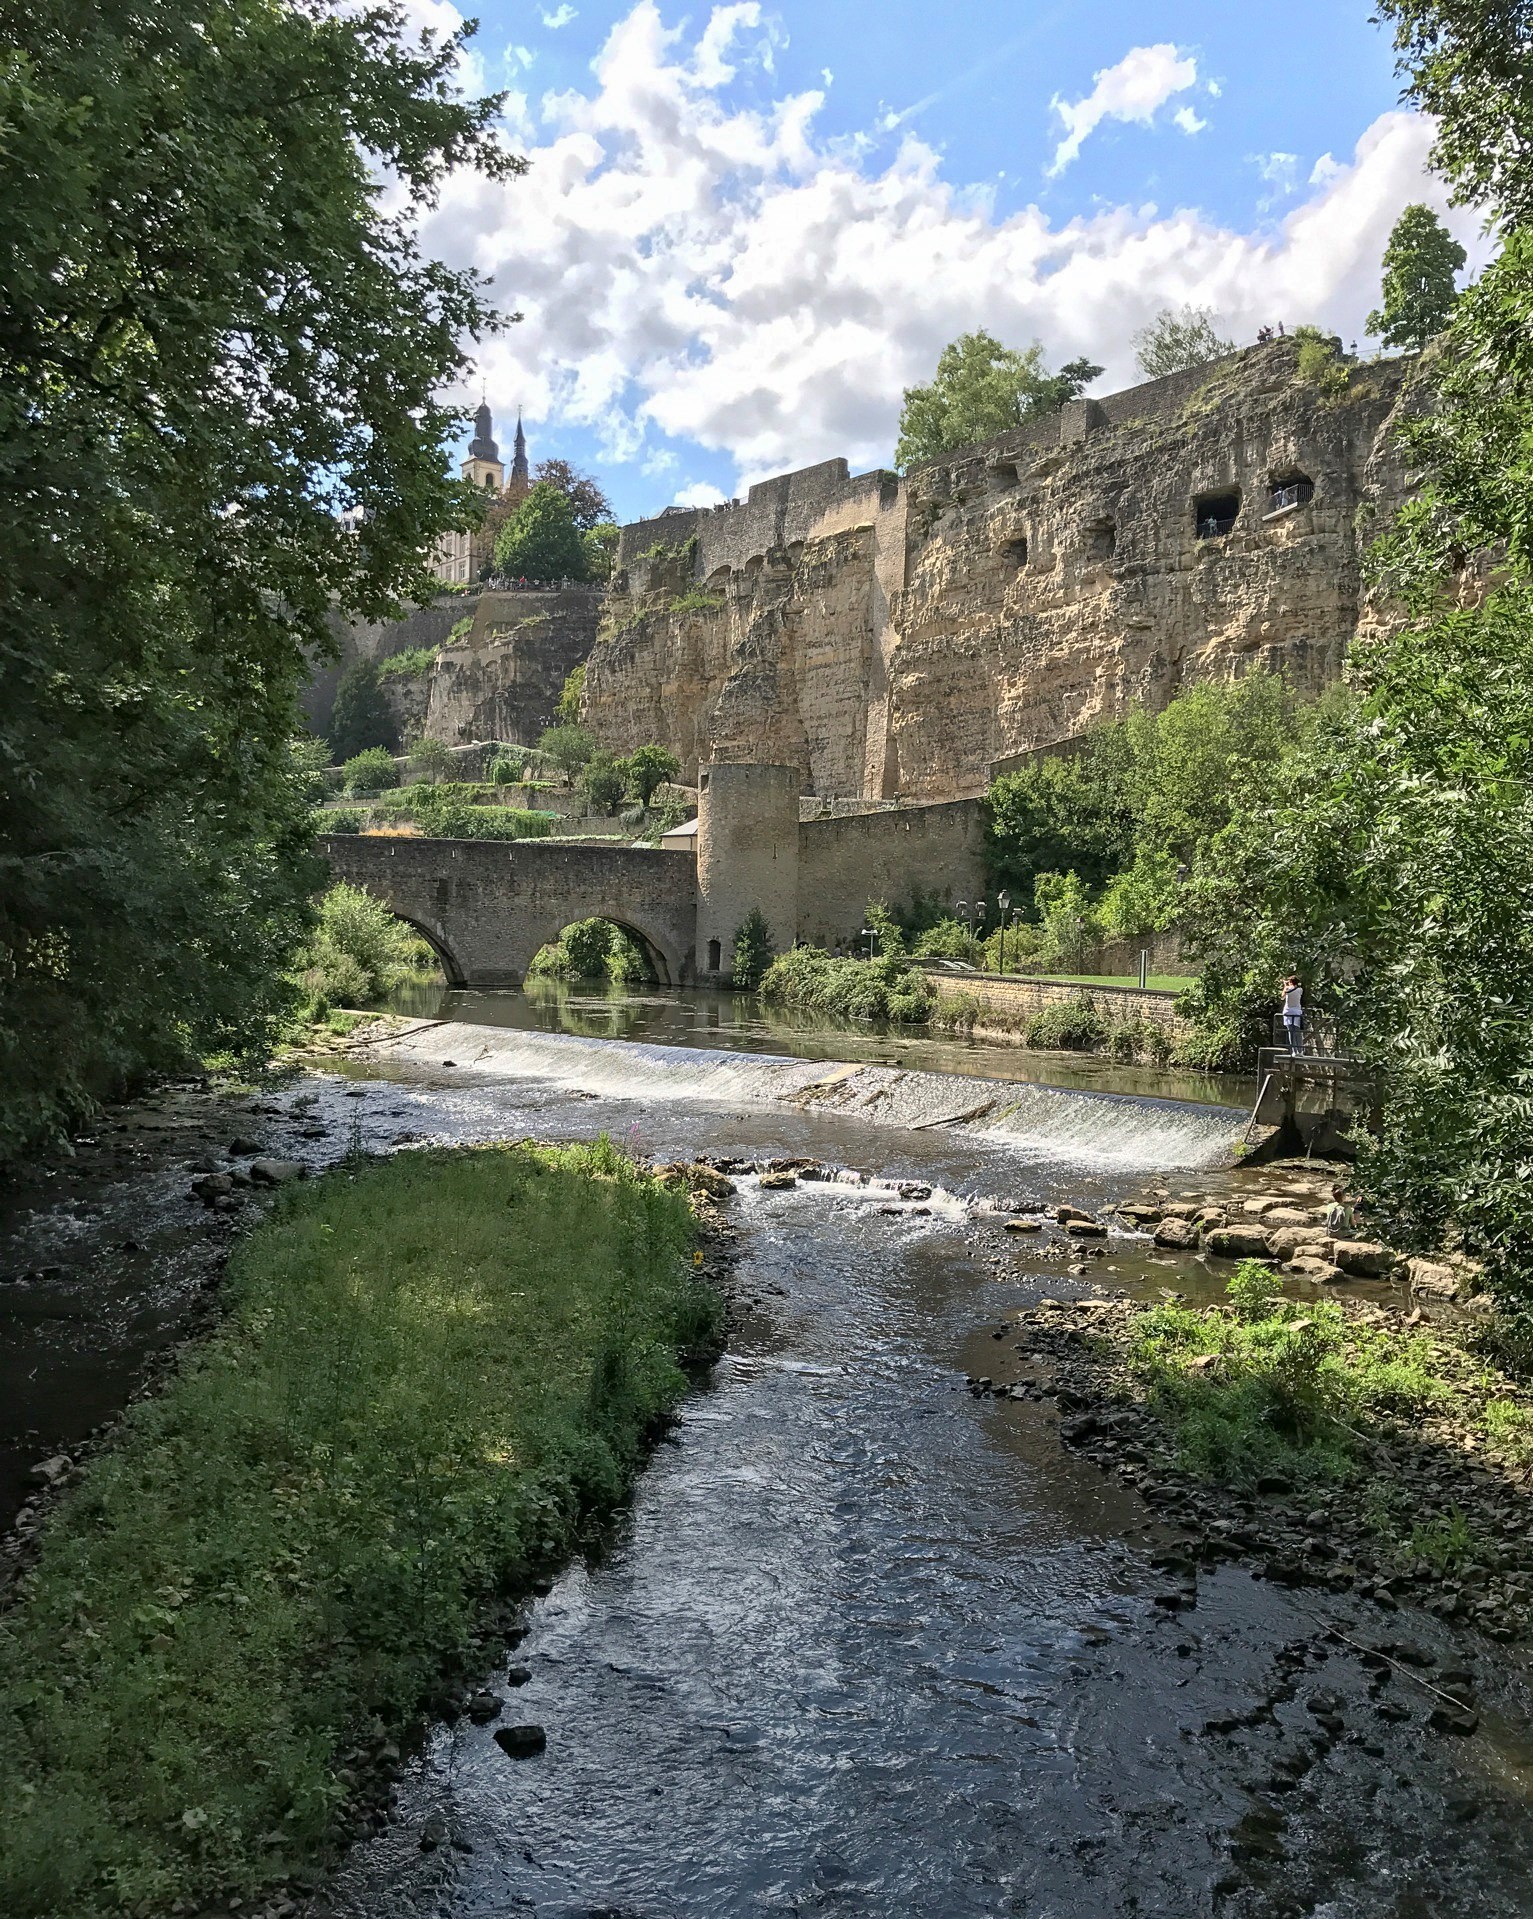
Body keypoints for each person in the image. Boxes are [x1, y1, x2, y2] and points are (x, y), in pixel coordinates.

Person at [1281, 973, 1304, 1054]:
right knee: (1297, 1032)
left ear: (1290, 982)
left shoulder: (1287, 989)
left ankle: (1294, 1051)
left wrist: (1285, 985)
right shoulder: (1300, 989)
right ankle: (1300, 1051)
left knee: (1291, 1032)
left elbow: (1282, 996)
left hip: (1288, 1012)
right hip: (1297, 1012)